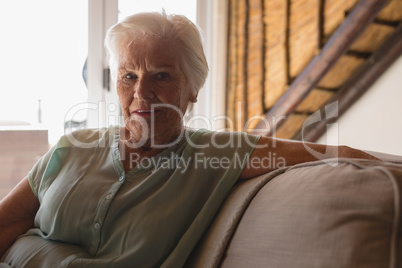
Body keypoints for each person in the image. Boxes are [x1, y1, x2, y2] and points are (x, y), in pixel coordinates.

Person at [0, 11, 377, 268]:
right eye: (128, 76)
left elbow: (336, 153)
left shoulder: (215, 155)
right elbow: (7, 224)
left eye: (161, 76)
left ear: (193, 88)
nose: (142, 92)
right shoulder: (71, 147)